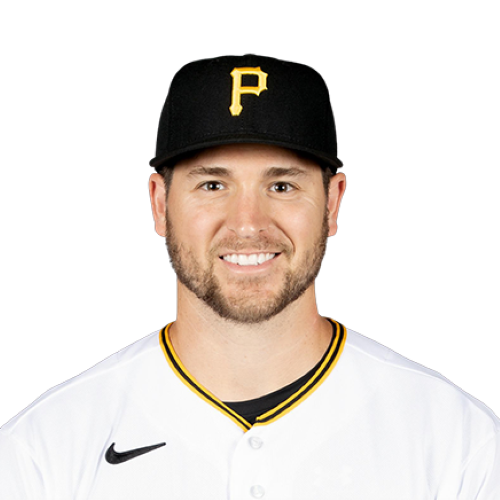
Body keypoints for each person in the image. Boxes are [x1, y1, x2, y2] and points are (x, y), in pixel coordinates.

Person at [1, 54, 498, 499]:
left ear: (333, 203)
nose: (247, 224)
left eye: (281, 186)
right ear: (159, 204)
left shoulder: (459, 441)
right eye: (212, 185)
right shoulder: (44, 446)